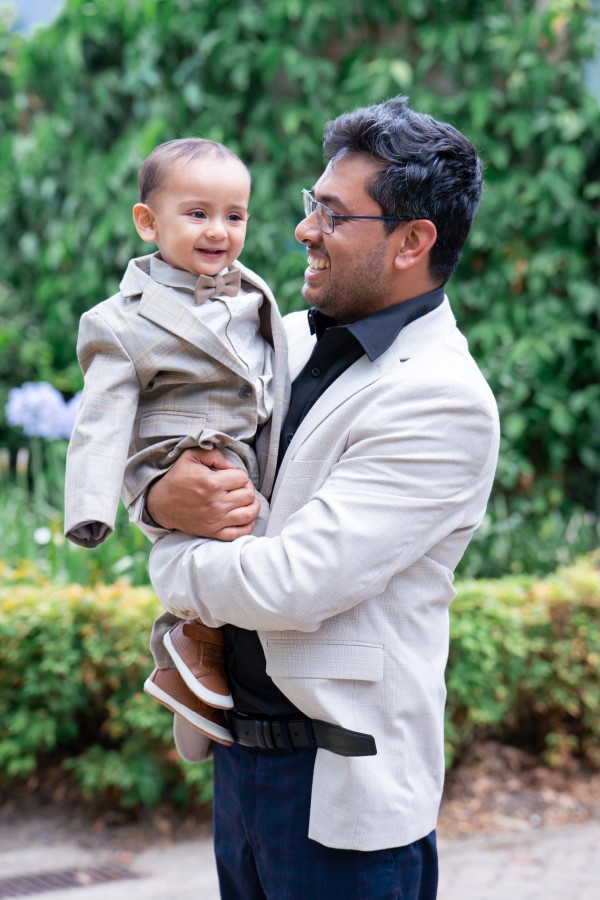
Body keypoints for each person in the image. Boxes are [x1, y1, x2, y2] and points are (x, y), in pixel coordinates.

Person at [137, 96, 500, 899]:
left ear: (412, 242)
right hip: (237, 765)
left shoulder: (441, 398)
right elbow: (164, 450)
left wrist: (169, 560)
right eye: (313, 203)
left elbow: (293, 585)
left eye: (334, 214)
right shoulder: (282, 338)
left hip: (339, 789)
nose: (305, 228)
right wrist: (160, 500)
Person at [64, 138, 289, 746]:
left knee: (249, 546)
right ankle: (186, 646)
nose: (218, 230)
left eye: (234, 215)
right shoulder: (119, 320)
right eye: (197, 213)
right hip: (178, 457)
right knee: (253, 543)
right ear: (148, 222)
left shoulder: (254, 294)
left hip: (247, 457)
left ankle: (190, 672)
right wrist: (92, 508)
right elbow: (101, 419)